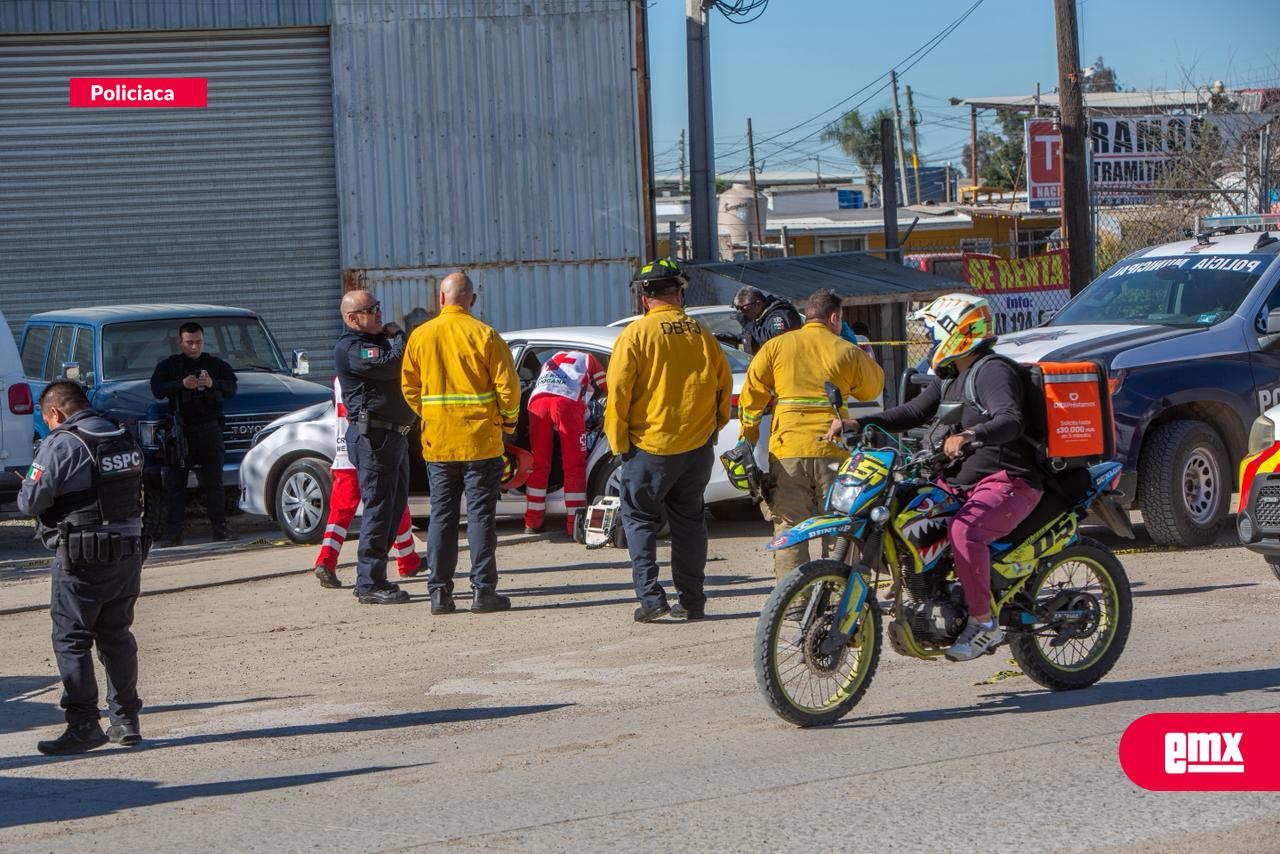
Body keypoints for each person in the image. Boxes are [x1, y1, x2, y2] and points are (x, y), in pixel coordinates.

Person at [825, 293, 1042, 661]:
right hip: (956, 482)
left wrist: (972, 435)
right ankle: (931, 596)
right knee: (906, 509)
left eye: (934, 332)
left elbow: (1010, 419)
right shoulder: (950, 375)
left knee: (964, 530)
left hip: (1008, 481)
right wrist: (858, 422)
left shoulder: (993, 370)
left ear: (959, 332)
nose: (930, 340)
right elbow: (912, 412)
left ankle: (983, 624)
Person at [18, 381, 145, 755]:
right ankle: (125, 722)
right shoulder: (122, 436)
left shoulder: (62, 443)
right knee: (117, 636)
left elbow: (29, 500)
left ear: (56, 413)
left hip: (82, 557)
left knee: (71, 640)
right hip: (128, 552)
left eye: (47, 420)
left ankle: (84, 724)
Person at [606, 259, 733, 622]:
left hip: (650, 448)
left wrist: (619, 444)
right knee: (690, 522)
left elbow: (618, 395)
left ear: (645, 298)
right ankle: (692, 601)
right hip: (695, 450)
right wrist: (712, 429)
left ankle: (651, 599)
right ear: (678, 293)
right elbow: (723, 387)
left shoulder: (635, 335)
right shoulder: (700, 332)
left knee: (639, 519)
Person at [738, 289, 883, 579]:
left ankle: (793, 602)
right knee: (840, 524)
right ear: (833, 318)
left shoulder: (776, 346)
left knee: (790, 525)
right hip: (834, 449)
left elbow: (750, 398)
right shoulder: (845, 349)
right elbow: (872, 387)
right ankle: (838, 597)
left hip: (788, 448)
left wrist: (748, 437)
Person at [401, 271, 521, 616]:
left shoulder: (421, 337)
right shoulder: (485, 335)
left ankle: (439, 593)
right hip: (481, 442)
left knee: (442, 516)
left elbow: (409, 388)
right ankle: (483, 592)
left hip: (439, 443)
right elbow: (509, 390)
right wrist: (507, 422)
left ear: (441, 299)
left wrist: (431, 414)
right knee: (481, 517)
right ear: (472, 300)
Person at [334, 290, 417, 605]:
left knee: (393, 509)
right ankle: (369, 582)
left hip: (393, 436)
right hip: (375, 440)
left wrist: (396, 338)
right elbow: (392, 365)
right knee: (379, 509)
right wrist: (399, 337)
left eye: (379, 307)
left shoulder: (376, 342)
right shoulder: (352, 348)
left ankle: (374, 579)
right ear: (353, 318)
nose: (380, 314)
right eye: (372, 309)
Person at [312, 376, 424, 589]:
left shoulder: (341, 377)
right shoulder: (370, 375)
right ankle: (407, 561)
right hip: (369, 449)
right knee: (394, 504)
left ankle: (326, 560)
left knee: (340, 513)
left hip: (345, 451)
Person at [149, 321, 237, 545]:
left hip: (210, 431)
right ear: (180, 342)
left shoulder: (215, 365)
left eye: (198, 342)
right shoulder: (170, 366)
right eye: (189, 343)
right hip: (182, 433)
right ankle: (173, 534)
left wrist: (212, 383)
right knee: (176, 485)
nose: (194, 347)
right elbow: (157, 389)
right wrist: (181, 384)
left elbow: (231, 388)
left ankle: (220, 530)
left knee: (214, 483)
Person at [523, 350, 608, 537]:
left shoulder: (555, 356)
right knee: (574, 466)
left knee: (539, 464)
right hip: (566, 402)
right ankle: (574, 523)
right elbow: (607, 385)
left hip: (537, 402)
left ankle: (532, 522)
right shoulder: (590, 359)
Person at [733, 285, 802, 355]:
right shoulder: (759, 316)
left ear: (758, 304)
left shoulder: (778, 314)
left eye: (746, 310)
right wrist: (731, 339)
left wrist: (748, 324)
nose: (744, 315)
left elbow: (775, 340)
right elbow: (754, 336)